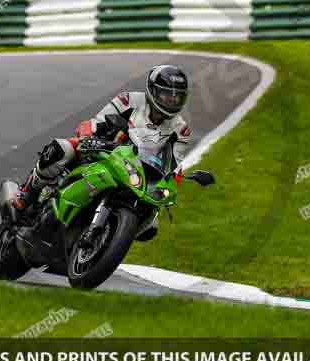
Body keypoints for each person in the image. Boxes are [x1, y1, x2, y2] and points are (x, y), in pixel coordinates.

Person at [12, 65, 192, 236]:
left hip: (138, 172)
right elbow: (96, 122)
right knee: (61, 149)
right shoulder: (128, 100)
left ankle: (107, 238)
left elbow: (175, 163)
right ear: (153, 91)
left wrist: (174, 181)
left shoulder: (180, 129)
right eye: (167, 95)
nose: (172, 100)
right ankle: (28, 193)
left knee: (151, 223)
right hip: (104, 149)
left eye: (177, 97)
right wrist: (90, 136)